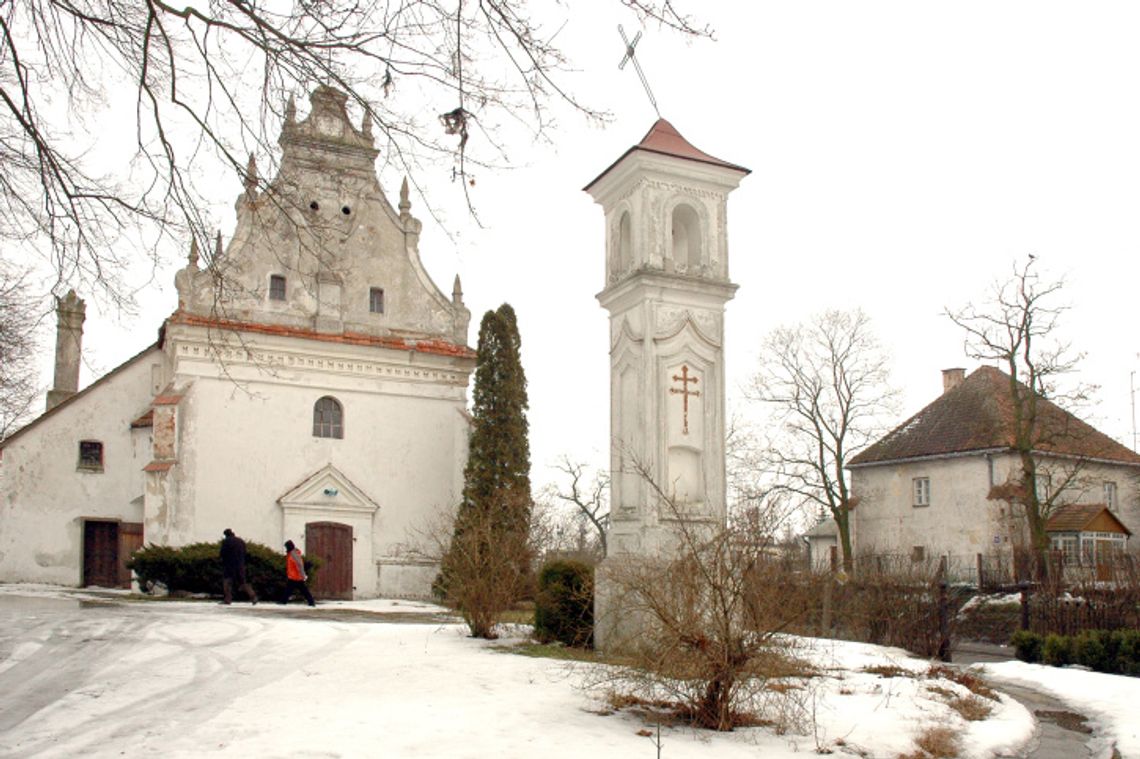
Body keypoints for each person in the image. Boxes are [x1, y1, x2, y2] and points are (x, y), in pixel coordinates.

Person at [220, 528, 258, 605]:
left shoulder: (227, 542)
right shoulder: (241, 541)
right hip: (240, 565)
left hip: (229, 565)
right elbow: (245, 553)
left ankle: (227, 599)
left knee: (227, 582)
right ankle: (253, 596)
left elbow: (222, 553)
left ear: (226, 535)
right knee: (243, 582)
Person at [279, 540, 315, 606]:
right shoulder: (292, 553)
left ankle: (283, 602)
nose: (286, 548)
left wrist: (303, 575)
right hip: (294, 576)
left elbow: (299, 565)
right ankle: (311, 602)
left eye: (286, 547)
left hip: (295, 576)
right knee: (302, 590)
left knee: (290, 590)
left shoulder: (293, 554)